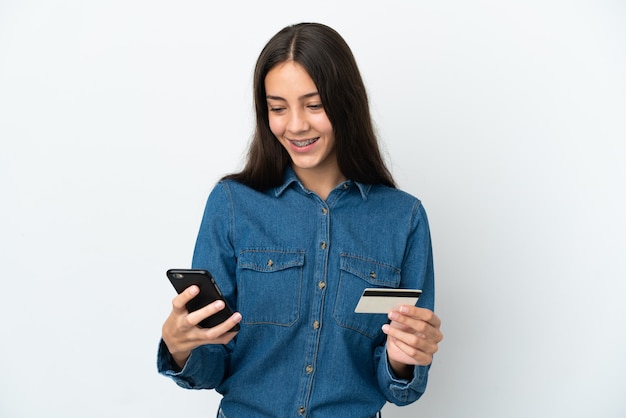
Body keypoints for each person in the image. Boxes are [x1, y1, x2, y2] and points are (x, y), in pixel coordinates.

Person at [158, 22, 443, 417]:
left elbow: (400, 387)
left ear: (346, 103)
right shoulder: (232, 204)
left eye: (314, 104)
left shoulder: (403, 219)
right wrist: (179, 346)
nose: (295, 125)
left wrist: (402, 359)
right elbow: (211, 366)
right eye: (278, 108)